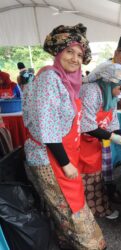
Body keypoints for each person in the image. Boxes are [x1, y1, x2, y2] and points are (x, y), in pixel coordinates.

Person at [23, 23, 105, 249]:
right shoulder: (50, 78)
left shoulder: (67, 82)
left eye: (80, 54)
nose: (75, 58)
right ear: (58, 52)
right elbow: (47, 128)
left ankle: (68, 242)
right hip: (49, 157)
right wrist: (66, 163)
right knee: (70, 210)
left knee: (67, 209)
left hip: (62, 153)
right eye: (69, 51)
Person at [79, 63, 121, 219]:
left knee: (97, 176)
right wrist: (114, 138)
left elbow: (112, 122)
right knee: (87, 177)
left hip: (96, 142)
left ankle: (99, 207)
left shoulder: (110, 95)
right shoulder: (91, 92)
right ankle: (92, 212)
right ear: (110, 82)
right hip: (82, 143)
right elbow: (87, 126)